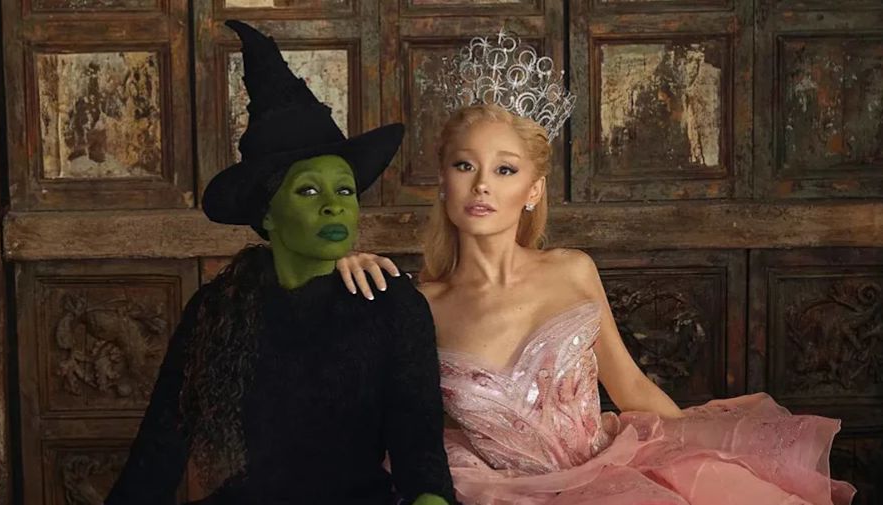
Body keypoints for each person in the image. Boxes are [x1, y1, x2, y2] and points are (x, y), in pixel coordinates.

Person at [336, 30, 856, 505]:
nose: (482, 185)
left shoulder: (572, 271)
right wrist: (341, 264)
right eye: (464, 165)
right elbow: (383, 418)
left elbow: (631, 389)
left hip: (610, 477)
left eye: (505, 169)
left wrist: (704, 458)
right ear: (443, 181)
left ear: (533, 190)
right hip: (500, 492)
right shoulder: (417, 305)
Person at [104, 20, 455, 505]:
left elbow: (422, 459)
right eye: (309, 191)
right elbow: (159, 449)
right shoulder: (217, 308)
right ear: (267, 214)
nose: (334, 207)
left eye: (345, 191)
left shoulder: (391, 303)